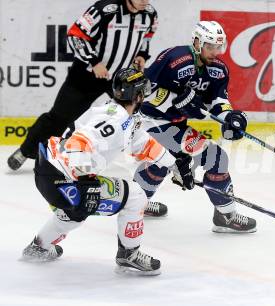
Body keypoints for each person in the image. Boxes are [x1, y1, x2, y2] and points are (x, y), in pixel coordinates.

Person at [21, 68, 194, 276]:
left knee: (73, 213)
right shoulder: (117, 120)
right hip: (67, 179)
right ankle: (128, 255)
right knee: (135, 196)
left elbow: (143, 144)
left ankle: (38, 248)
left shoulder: (113, 112)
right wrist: (86, 181)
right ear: (138, 96)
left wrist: (176, 164)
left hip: (47, 171)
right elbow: (79, 142)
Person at [135, 21, 257, 233]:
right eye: (211, 46)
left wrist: (230, 117)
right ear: (197, 42)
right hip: (148, 121)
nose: (215, 52)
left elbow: (218, 101)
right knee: (215, 158)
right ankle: (226, 216)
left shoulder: (218, 70)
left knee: (162, 161)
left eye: (219, 47)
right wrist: (174, 99)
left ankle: (136, 203)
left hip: (175, 126)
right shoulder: (175, 58)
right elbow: (142, 87)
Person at [8, 0, 157, 170]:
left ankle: (148, 155)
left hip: (120, 77)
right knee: (60, 116)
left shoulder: (150, 14)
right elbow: (75, 35)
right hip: (87, 75)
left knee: (137, 114)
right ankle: (26, 151)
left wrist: (142, 55)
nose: (145, 1)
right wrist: (94, 62)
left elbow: (146, 37)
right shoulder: (105, 10)